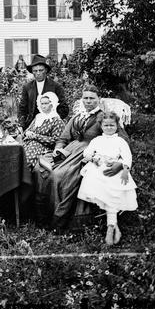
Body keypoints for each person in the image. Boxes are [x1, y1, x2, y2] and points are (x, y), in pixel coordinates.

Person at [33, 84, 127, 230]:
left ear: (99, 99)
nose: (88, 101)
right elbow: (63, 138)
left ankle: (58, 221)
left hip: (89, 153)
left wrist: (109, 155)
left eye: (92, 98)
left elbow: (121, 139)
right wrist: (58, 149)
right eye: (85, 98)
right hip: (69, 151)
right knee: (40, 169)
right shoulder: (77, 117)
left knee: (59, 176)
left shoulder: (103, 117)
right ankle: (42, 217)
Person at [77, 112, 138, 245]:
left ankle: (111, 227)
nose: (109, 128)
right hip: (97, 167)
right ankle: (112, 225)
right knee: (102, 190)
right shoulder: (97, 140)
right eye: (106, 125)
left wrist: (125, 170)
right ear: (101, 126)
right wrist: (93, 158)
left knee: (113, 190)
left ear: (117, 126)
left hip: (115, 167)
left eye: (112, 125)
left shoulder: (120, 141)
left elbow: (127, 157)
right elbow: (86, 153)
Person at [17, 54, 69, 131]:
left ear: (46, 70)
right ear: (32, 72)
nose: (38, 73)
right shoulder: (27, 87)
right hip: (31, 125)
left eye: (41, 70)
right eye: (35, 71)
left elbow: (64, 108)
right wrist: (21, 125)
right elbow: (22, 108)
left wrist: (53, 120)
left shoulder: (56, 86)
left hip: (50, 126)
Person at [22, 92, 66, 170]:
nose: (43, 106)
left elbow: (56, 140)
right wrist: (27, 133)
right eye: (41, 103)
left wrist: (36, 136)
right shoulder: (38, 117)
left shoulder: (57, 120)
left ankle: (26, 179)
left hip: (43, 147)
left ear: (52, 104)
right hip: (28, 143)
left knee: (26, 160)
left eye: (46, 103)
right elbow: (26, 131)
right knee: (15, 156)